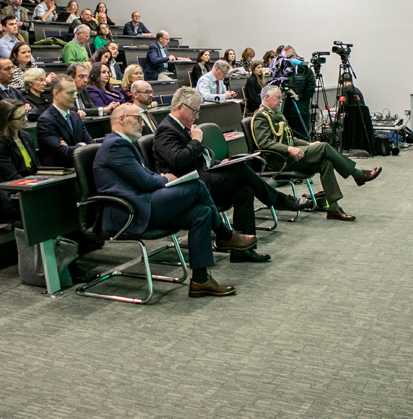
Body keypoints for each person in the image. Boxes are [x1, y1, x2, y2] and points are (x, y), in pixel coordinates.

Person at [94, 104, 255, 297]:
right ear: (121, 119)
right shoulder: (115, 145)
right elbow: (145, 182)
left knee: (202, 213)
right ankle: (225, 235)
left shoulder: (123, 144)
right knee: (197, 186)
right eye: (138, 119)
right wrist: (165, 179)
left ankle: (200, 280)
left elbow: (143, 178)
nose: (142, 125)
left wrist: (163, 179)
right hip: (130, 211)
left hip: (144, 202)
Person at [155, 87, 312, 265]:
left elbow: (196, 160)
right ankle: (280, 200)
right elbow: (178, 161)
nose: (197, 116)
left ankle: (243, 252)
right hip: (190, 187)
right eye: (195, 111)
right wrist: (196, 141)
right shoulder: (166, 130)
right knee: (241, 171)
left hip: (204, 178)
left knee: (244, 190)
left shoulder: (182, 127)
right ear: (180, 107)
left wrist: (217, 164)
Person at [251, 84, 381, 221]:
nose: (281, 101)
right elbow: (264, 143)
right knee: (324, 147)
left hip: (288, 156)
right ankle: (357, 174)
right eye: (278, 98)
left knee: (325, 163)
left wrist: (308, 144)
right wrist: (288, 149)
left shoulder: (275, 115)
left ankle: (333, 207)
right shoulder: (261, 116)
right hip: (278, 160)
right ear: (266, 97)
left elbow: (290, 138)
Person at [0, 99, 40, 220]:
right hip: (10, 196)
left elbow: (36, 166)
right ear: (8, 121)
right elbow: (11, 176)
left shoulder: (25, 136)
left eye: (25, 115)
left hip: (29, 188)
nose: (25, 119)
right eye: (21, 117)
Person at [36, 74, 92, 167]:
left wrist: (72, 148)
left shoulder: (75, 116)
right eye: (70, 93)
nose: (75, 97)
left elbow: (90, 145)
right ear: (56, 94)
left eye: (75, 92)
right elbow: (63, 153)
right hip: (60, 171)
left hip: (79, 169)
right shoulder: (45, 121)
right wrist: (82, 145)